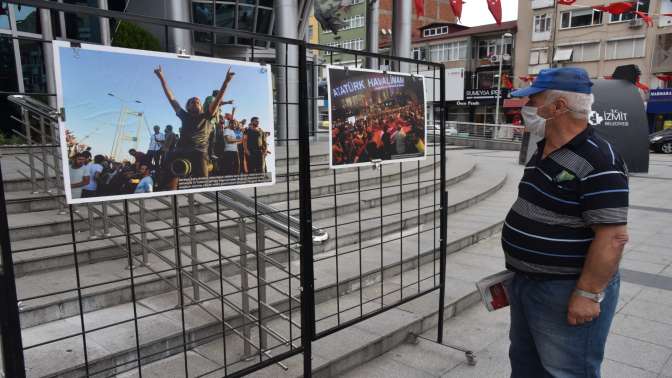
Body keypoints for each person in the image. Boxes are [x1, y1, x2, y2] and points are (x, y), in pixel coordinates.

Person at [503, 68, 630, 378]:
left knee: (567, 371)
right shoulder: (543, 148)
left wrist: (587, 294)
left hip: (564, 289)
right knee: (526, 364)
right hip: (527, 283)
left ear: (558, 107)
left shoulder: (601, 161)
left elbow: (613, 237)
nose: (526, 108)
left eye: (533, 100)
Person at [154, 65, 235, 189]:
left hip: (198, 152)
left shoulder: (207, 115)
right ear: (188, 107)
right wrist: (161, 77)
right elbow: (171, 98)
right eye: (192, 102)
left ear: (202, 107)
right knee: (167, 167)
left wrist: (226, 82)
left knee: (202, 183)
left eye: (198, 101)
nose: (195, 102)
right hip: (180, 151)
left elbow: (218, 99)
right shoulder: (184, 115)